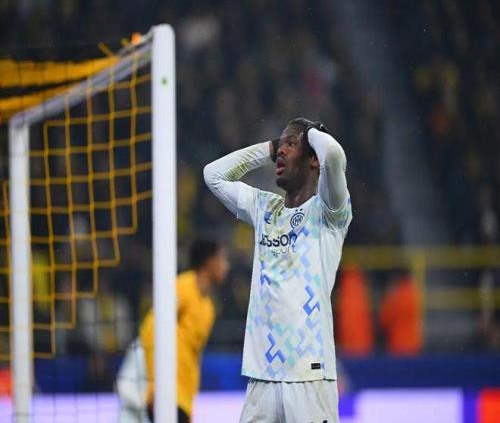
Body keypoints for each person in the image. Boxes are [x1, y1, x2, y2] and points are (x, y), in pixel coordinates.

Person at [204, 118, 352, 423]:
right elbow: (213, 175)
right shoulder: (264, 209)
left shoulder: (329, 213)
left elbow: (334, 155)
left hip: (309, 375)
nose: (282, 151)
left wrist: (311, 133)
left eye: (291, 144)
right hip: (263, 376)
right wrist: (270, 149)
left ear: (313, 159)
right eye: (281, 145)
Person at [119, 238, 229, 423]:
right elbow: (151, 327)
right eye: (223, 259)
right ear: (209, 262)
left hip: (183, 397)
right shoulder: (183, 287)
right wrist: (155, 382)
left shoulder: (209, 308)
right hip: (165, 390)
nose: (227, 266)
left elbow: (194, 356)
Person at [379, 269, 422, 355]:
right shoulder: (413, 291)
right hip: (412, 343)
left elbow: (385, 319)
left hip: (398, 345)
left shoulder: (396, 295)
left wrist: (388, 298)